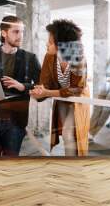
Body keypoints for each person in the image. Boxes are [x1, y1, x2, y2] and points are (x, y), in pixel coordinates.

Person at [0, 16, 41, 156]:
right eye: (16, 32)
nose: (20, 36)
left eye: (22, 32)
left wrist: (23, 87)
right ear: (4, 33)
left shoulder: (30, 59)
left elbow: (41, 87)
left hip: (15, 124)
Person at [30, 19, 90, 156]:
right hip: (61, 98)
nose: (47, 44)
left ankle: (72, 167)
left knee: (70, 133)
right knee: (66, 134)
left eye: (50, 42)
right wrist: (39, 91)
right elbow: (44, 83)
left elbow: (76, 89)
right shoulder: (49, 57)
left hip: (78, 100)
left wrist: (47, 92)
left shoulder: (78, 58)